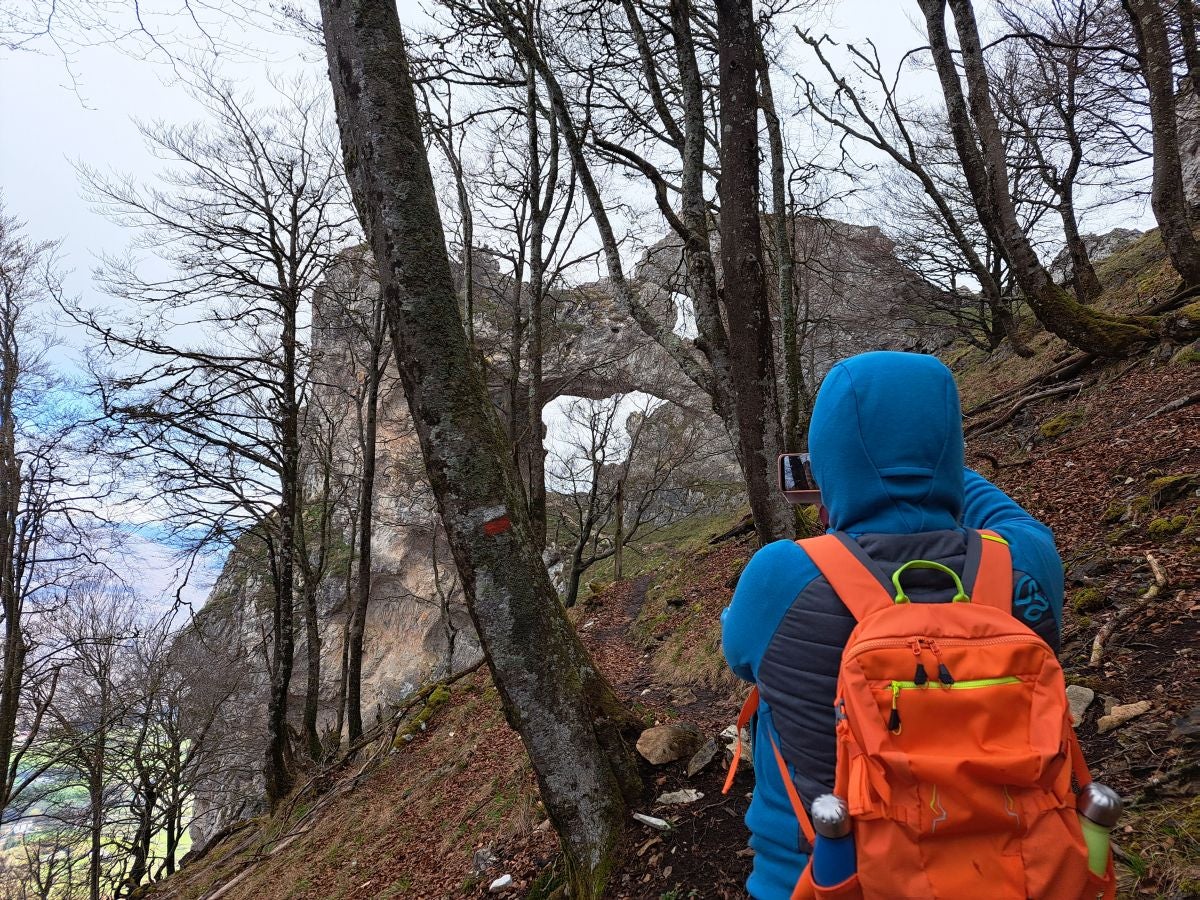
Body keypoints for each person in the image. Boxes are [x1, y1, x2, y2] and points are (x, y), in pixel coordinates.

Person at [721, 350, 1064, 899]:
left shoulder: (781, 575)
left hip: (822, 873)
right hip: (1019, 868)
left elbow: (738, 652)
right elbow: (1008, 516)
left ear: (831, 458)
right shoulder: (1025, 561)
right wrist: (929, 469)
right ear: (949, 449)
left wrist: (849, 487)